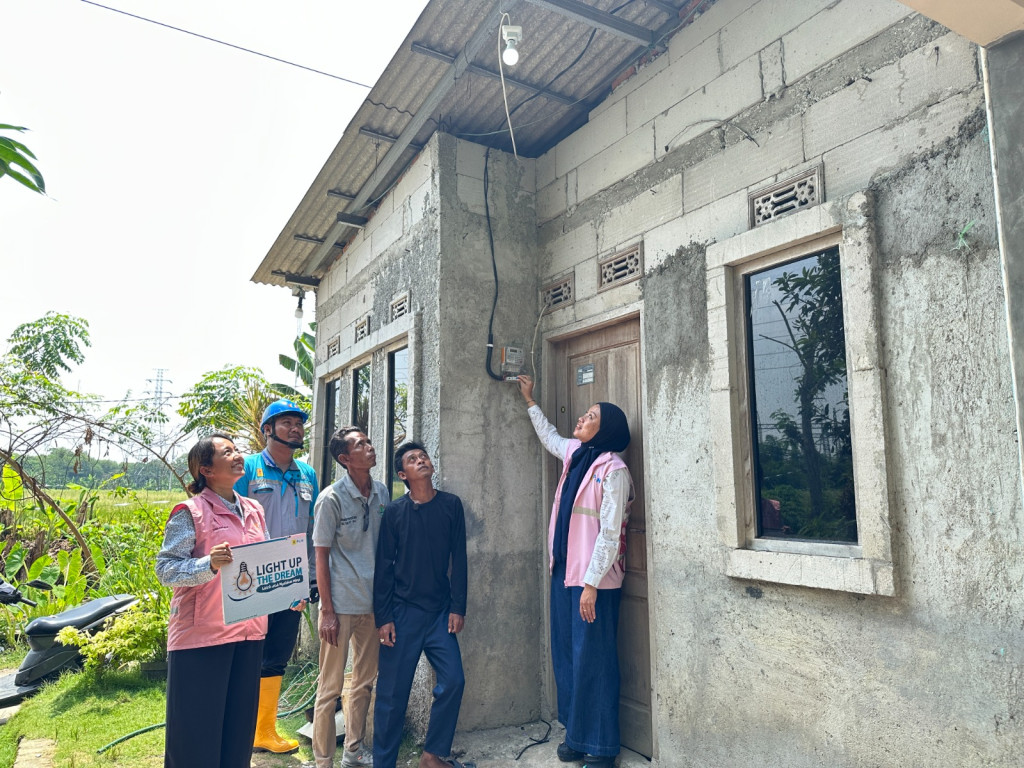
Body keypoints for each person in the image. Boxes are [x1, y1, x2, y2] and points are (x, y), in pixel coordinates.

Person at [517, 375, 634, 768]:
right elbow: (550, 436)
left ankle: (602, 749)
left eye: (592, 416)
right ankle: (577, 736)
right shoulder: (577, 456)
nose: (583, 417)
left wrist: (591, 585)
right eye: (585, 413)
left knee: (595, 661)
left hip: (593, 583)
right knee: (569, 657)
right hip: (565, 574)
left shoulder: (613, 469)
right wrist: (530, 399)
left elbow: (610, 533)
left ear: (607, 430)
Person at [156, 434, 269, 768]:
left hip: (248, 633)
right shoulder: (190, 512)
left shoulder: (254, 509)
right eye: (227, 452)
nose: (238, 455)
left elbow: (259, 562)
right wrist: (208, 564)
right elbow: (166, 569)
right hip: (201, 638)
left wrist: (285, 591)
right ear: (205, 469)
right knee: (195, 739)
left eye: (237, 450)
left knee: (237, 736)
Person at [373, 442, 469, 768]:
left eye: (423, 456)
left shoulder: (451, 506)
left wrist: (458, 607)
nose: (421, 461)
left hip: (440, 613)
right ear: (403, 475)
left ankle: (431, 756)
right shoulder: (395, 513)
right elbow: (383, 567)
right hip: (402, 614)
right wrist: (383, 617)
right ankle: (383, 763)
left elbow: (460, 560)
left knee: (454, 680)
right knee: (391, 697)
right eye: (413, 460)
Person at [234, 398, 320, 754]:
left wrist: (312, 579)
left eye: (299, 423)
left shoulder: (308, 474)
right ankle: (237, 728)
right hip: (250, 581)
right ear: (267, 430)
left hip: (291, 580)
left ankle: (263, 732)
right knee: (245, 654)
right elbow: (230, 520)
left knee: (277, 654)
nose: (296, 428)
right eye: (286, 422)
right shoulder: (247, 469)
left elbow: (313, 529)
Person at [310, 426, 390, 768]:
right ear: (345, 459)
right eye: (361, 445)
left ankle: (353, 753)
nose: (370, 447)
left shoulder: (383, 492)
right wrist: (326, 611)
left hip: (373, 606)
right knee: (329, 690)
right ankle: (323, 761)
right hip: (339, 608)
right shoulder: (330, 498)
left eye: (369, 442)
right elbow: (321, 556)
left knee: (364, 685)